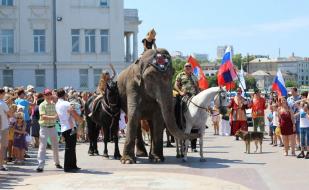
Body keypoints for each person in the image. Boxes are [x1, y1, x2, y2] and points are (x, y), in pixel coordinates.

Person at [174, 62, 199, 152]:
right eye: (186, 66)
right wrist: (180, 92)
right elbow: (175, 85)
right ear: (184, 68)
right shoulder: (180, 75)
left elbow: (197, 88)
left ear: (191, 68)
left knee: (197, 116)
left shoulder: (194, 76)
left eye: (189, 66)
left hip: (194, 97)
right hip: (184, 96)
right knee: (178, 105)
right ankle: (176, 120)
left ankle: (193, 147)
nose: (188, 67)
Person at [55, 89, 81, 172]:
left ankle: (73, 165)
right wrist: (80, 120)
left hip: (64, 127)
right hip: (70, 127)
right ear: (64, 95)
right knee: (70, 148)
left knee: (71, 147)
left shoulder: (57, 104)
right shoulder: (66, 103)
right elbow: (72, 112)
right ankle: (68, 167)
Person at [36, 89, 62, 172]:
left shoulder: (54, 104)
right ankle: (40, 165)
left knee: (55, 146)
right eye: (46, 94)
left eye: (49, 94)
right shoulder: (42, 105)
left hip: (53, 127)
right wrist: (54, 117)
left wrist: (56, 116)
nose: (48, 96)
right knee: (42, 146)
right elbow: (43, 116)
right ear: (44, 96)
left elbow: (58, 114)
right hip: (44, 127)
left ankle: (57, 162)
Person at [0, 88, 12, 171]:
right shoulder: (2, 103)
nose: (4, 95)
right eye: (3, 94)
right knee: (2, 147)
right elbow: (10, 114)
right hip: (3, 127)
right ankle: (0, 165)